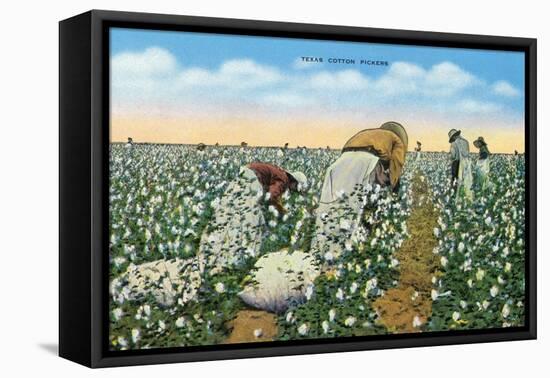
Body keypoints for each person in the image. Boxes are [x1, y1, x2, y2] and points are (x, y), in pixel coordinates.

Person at [311, 121, 408, 263]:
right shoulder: (397, 141)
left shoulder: (370, 134)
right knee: (366, 205)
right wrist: (393, 190)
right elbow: (396, 167)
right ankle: (359, 246)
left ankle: (325, 248)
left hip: (341, 162)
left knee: (337, 203)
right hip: (367, 162)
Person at [198, 162, 307, 272]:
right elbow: (272, 197)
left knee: (231, 214)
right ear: (294, 181)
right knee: (251, 223)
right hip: (252, 180)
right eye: (295, 188)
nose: (293, 191)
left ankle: (217, 254)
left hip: (243, 175)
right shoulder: (284, 179)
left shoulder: (279, 173)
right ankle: (238, 262)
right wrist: (282, 212)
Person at [448, 129, 473, 201]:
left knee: (455, 180)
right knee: (465, 180)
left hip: (456, 163)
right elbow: (467, 154)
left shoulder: (453, 144)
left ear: (453, 137)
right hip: (466, 164)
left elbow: (453, 156)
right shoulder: (466, 142)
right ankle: (466, 197)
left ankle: (456, 197)